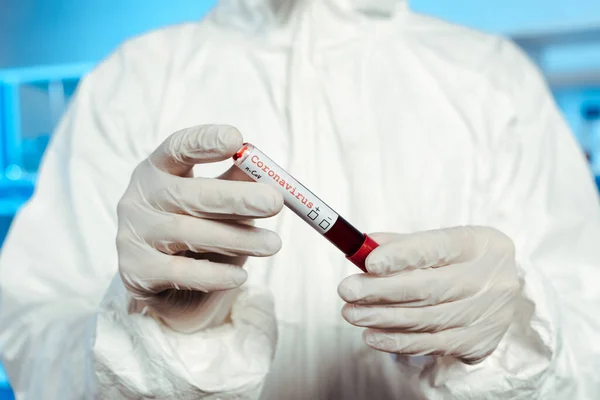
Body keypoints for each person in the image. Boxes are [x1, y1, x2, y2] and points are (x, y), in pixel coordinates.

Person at [1, 0, 599, 398]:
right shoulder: (134, 78)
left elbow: (591, 337)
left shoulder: (492, 78)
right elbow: (28, 335)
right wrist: (154, 336)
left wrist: (518, 328)